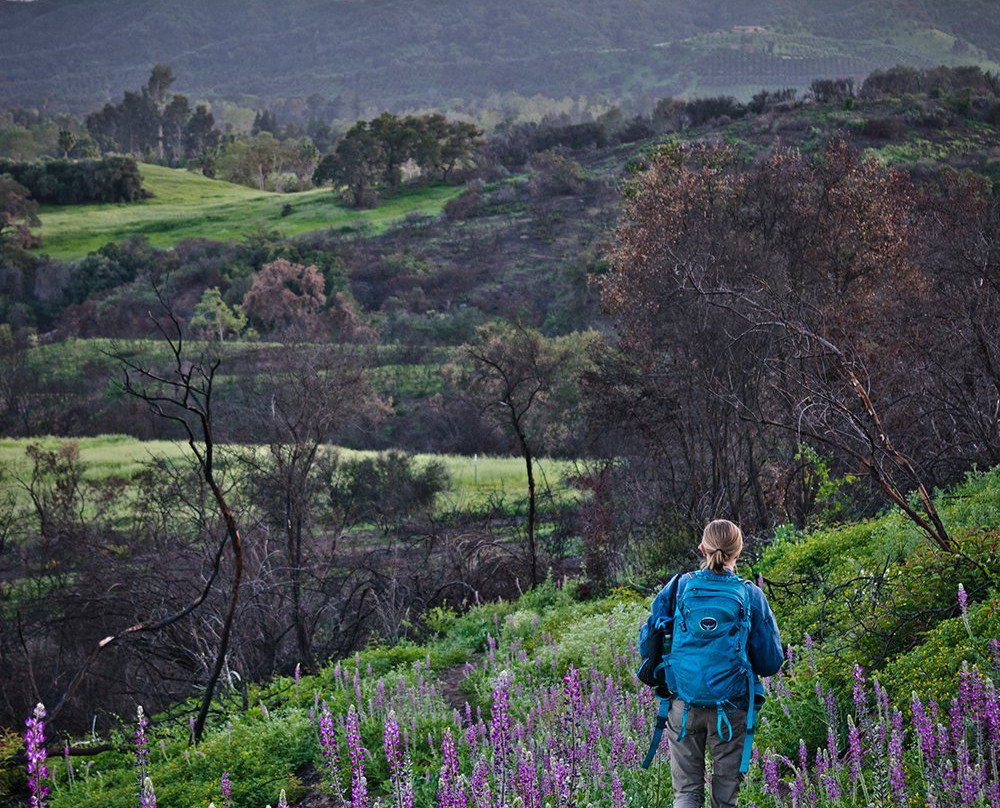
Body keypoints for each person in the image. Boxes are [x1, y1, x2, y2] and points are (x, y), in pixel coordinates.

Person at [638, 519, 783, 808]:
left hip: (682, 706)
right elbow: (770, 662)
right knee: (725, 798)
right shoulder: (750, 594)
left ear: (702, 548)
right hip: (732, 708)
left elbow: (647, 643)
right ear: (738, 552)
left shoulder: (678, 585)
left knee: (687, 794)